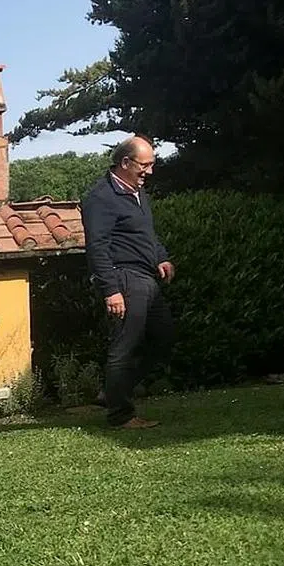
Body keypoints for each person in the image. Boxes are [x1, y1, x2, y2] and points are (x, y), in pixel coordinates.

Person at [81, 136, 175, 429]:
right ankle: (120, 415)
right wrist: (111, 290)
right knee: (125, 346)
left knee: (164, 338)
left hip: (146, 277)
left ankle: (113, 392)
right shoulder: (100, 198)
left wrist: (161, 256)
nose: (149, 171)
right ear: (125, 162)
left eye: (151, 164)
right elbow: (97, 247)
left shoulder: (137, 192)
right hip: (124, 278)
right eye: (144, 165)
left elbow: (145, 233)